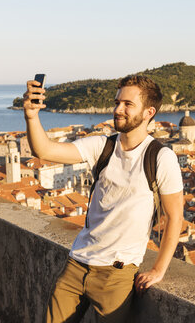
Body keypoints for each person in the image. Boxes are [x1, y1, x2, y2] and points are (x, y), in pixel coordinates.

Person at [23, 75, 184, 323]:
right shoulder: (102, 146)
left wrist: (158, 270)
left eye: (128, 104)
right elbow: (44, 150)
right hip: (77, 263)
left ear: (149, 112)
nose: (118, 109)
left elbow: (174, 216)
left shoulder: (161, 158)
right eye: (117, 102)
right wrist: (32, 116)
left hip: (117, 274)